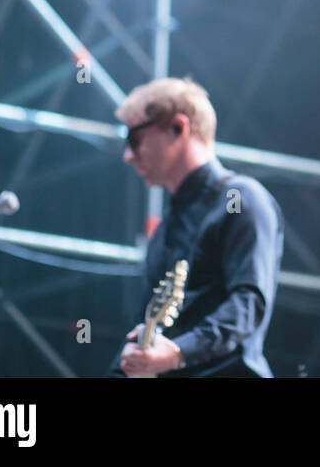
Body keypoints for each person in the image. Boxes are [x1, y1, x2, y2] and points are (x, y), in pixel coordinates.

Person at [107, 77, 283, 377]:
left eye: (134, 139)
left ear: (178, 127)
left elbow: (248, 304)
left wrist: (179, 352)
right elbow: (144, 327)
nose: (128, 156)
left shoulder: (240, 199)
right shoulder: (164, 230)